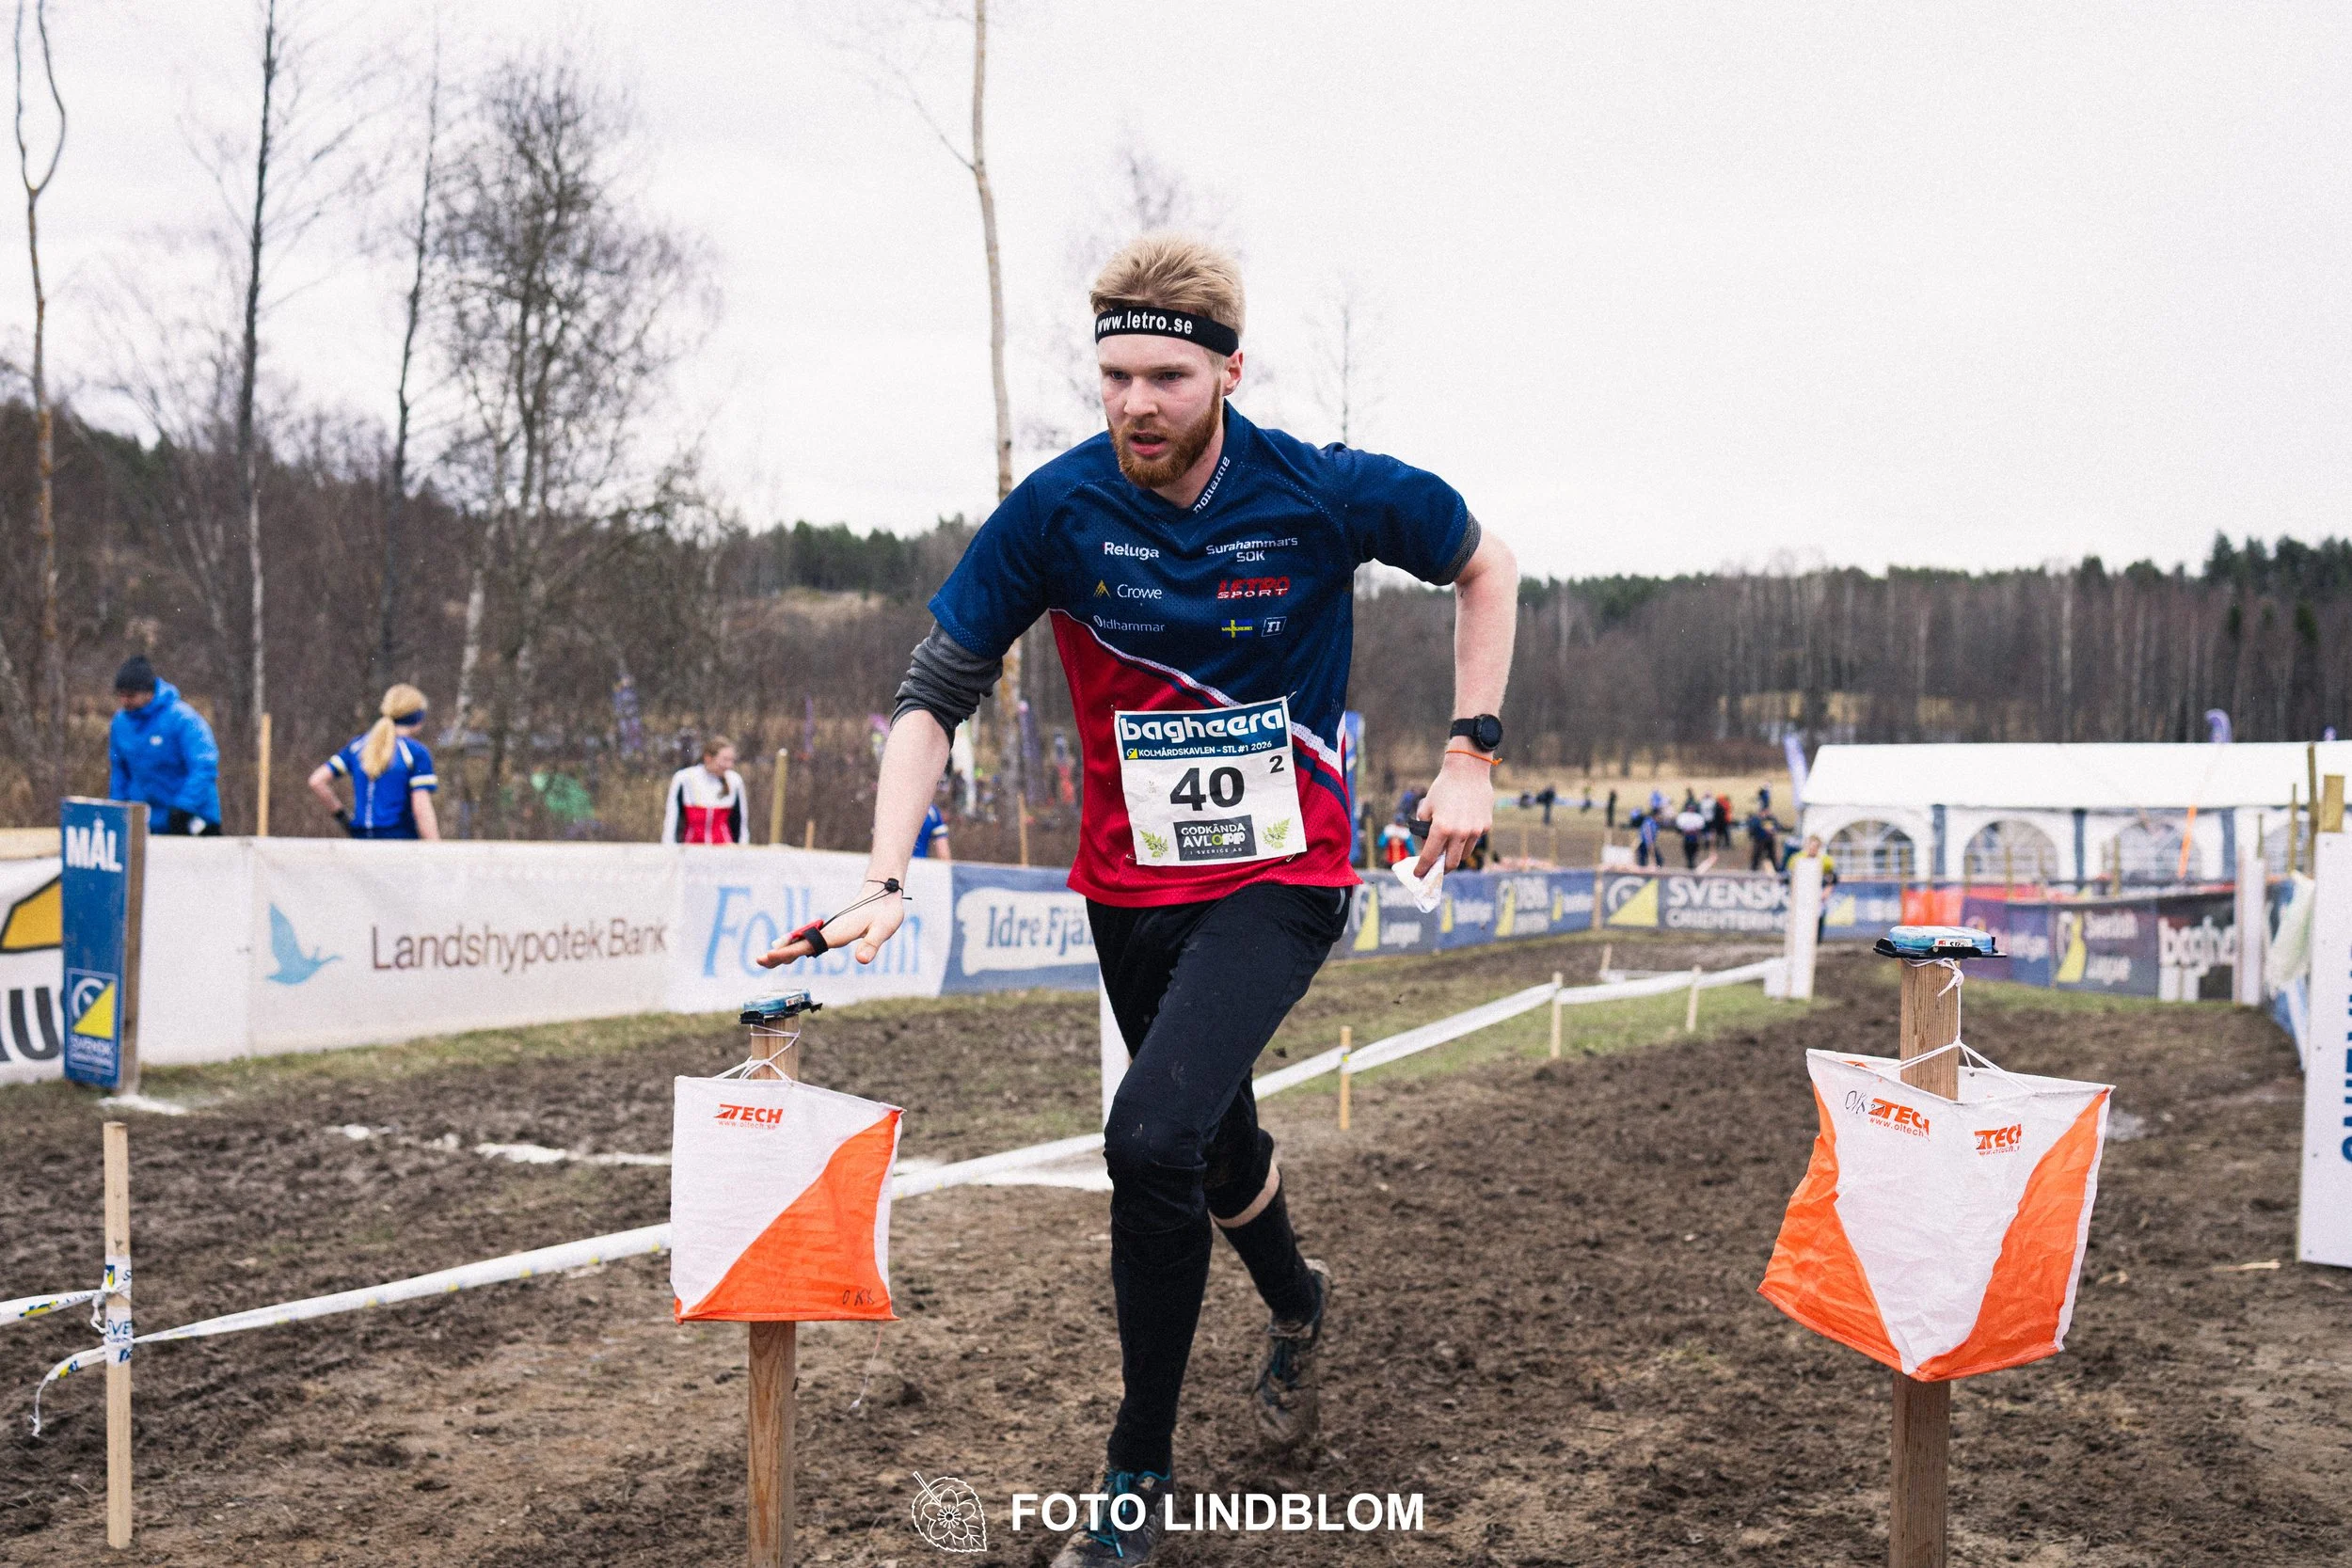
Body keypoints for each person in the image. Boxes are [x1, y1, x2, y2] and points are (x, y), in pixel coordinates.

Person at [755, 233, 1516, 1566]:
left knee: (1149, 1135)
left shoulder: (1322, 494)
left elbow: (1485, 563)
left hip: (1282, 877)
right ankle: (1297, 1299)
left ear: (1230, 367)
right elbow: (936, 687)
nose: (1135, 404)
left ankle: (1135, 1472)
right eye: (1113, 374)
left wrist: (1471, 751)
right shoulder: (1058, 510)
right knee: (1210, 1139)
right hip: (1130, 890)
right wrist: (886, 868)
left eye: (1165, 374)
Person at [308, 684, 440, 839]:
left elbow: (316, 781)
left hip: (362, 841)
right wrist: (435, 849)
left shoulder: (358, 746)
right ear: (417, 717)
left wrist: (344, 819)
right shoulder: (416, 753)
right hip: (399, 842)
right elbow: (421, 809)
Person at [107, 656, 220, 835]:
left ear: (148, 693)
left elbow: (204, 766)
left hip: (191, 817)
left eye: (131, 696)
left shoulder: (182, 719)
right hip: (149, 821)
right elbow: (119, 771)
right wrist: (116, 810)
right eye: (121, 695)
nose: (125, 701)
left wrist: (184, 807)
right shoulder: (120, 724)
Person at [662, 736, 746, 844]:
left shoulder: (734, 781)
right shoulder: (685, 778)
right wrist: (669, 849)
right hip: (691, 850)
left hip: (724, 851)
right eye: (725, 760)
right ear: (708, 758)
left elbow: (740, 822)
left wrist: (742, 851)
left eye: (731, 760)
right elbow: (672, 818)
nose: (729, 765)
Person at [914, 784, 954, 861]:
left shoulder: (892, 809)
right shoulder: (932, 812)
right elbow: (943, 854)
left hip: (894, 868)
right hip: (919, 867)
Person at [1676, 801, 1706, 869]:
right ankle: (1689, 861)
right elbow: (1680, 826)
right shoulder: (1684, 816)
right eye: (1690, 808)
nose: (1691, 810)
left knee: (1694, 848)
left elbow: (1700, 827)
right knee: (1687, 848)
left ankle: (1692, 860)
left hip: (1694, 835)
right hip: (1687, 835)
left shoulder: (1697, 817)